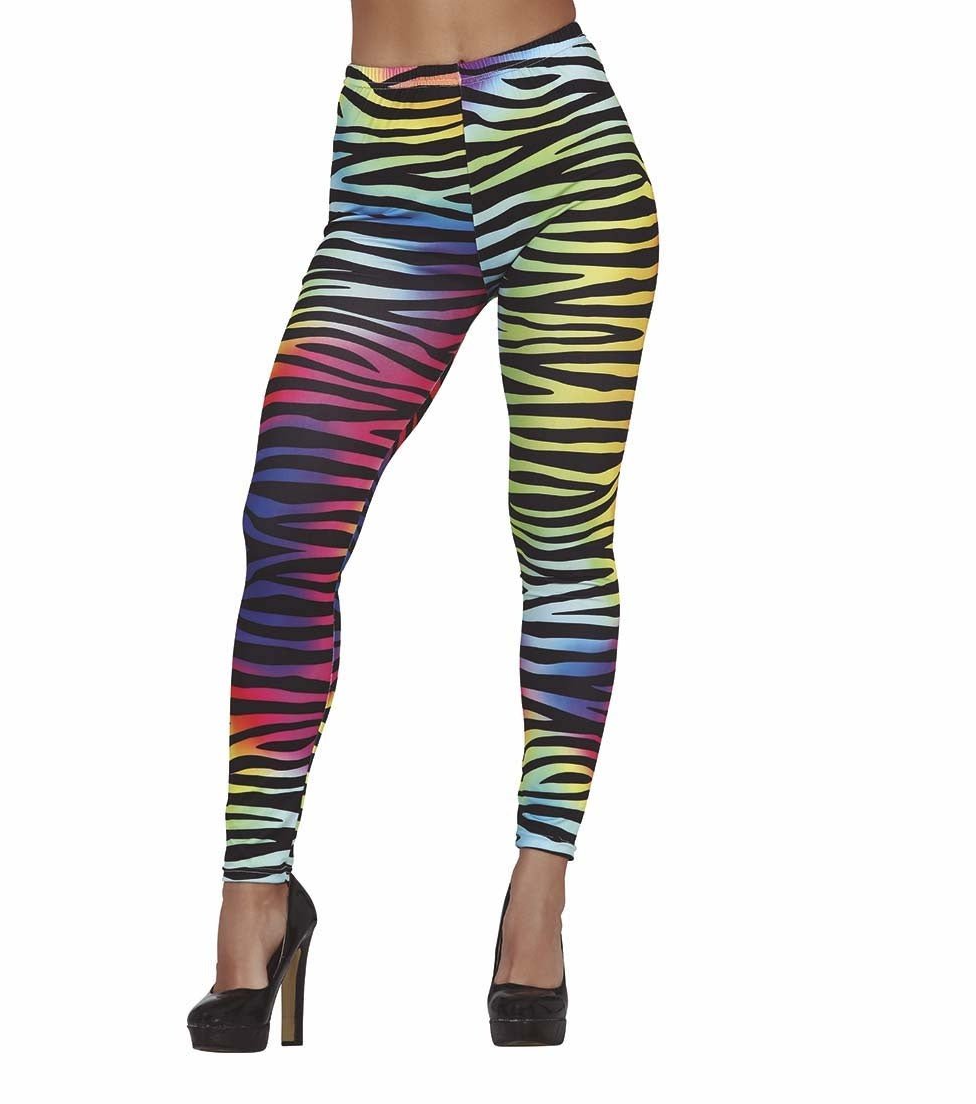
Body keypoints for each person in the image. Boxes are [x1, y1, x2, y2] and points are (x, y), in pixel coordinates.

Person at [188, 0, 658, 1049]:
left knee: (563, 539)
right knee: (290, 521)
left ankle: (540, 893)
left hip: (567, 149)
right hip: (389, 171)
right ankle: (257, 895)